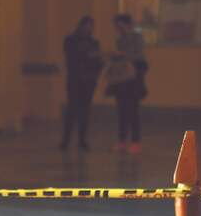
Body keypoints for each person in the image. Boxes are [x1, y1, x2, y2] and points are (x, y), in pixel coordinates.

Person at [105, 13, 148, 154]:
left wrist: (122, 55)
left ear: (126, 24)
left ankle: (136, 142)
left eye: (119, 25)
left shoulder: (137, 37)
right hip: (121, 78)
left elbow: (138, 56)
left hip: (133, 78)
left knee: (133, 110)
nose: (117, 28)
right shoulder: (120, 39)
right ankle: (122, 141)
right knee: (121, 110)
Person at [61, 16, 103, 151]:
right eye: (87, 26)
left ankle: (82, 140)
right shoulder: (70, 41)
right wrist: (89, 56)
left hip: (88, 81)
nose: (89, 29)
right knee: (71, 110)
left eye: (91, 26)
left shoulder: (94, 43)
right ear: (81, 25)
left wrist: (94, 63)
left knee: (85, 111)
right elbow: (72, 57)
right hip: (75, 80)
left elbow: (98, 62)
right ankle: (66, 140)